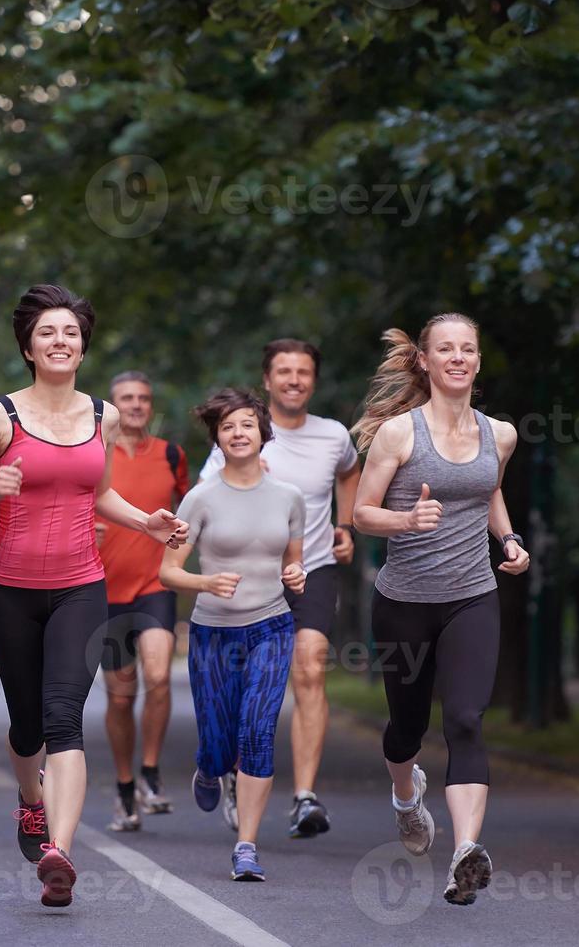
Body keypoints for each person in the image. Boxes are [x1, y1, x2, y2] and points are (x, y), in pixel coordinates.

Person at [0, 284, 187, 909]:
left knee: (63, 719)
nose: (61, 342)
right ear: (29, 346)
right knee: (26, 724)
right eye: (48, 333)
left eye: (71, 333)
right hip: (11, 590)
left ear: (83, 347)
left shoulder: (102, 416)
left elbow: (98, 494)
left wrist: (147, 522)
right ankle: (31, 805)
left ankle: (60, 851)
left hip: (81, 587)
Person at [350, 313, 530, 906]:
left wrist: (507, 540)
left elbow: (490, 491)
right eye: (445, 349)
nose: (458, 357)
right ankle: (407, 797)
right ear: (424, 361)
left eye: (468, 349)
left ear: (478, 362)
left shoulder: (499, 433)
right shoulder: (399, 435)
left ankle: (464, 854)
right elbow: (361, 513)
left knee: (466, 721)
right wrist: (406, 520)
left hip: (472, 597)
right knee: (408, 727)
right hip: (404, 602)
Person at [198, 339, 359, 838]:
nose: (294, 379)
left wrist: (346, 525)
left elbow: (350, 472)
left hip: (312, 570)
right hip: (253, 578)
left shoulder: (333, 436)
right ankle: (230, 773)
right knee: (246, 688)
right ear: (267, 381)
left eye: (304, 371)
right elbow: (205, 497)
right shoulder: (244, 433)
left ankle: (304, 798)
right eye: (284, 371)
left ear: (313, 380)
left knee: (310, 667)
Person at [161, 388, 306, 882]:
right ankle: (208, 765)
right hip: (213, 632)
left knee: (257, 734)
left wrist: (296, 575)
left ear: (263, 433)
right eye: (228, 427)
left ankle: (246, 846)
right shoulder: (199, 498)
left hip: (272, 625)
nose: (238, 433)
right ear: (217, 440)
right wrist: (207, 581)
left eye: (247, 424)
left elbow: (293, 560)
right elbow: (168, 572)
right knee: (221, 744)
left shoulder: (289, 498)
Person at [96, 371, 190, 832]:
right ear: (112, 407)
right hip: (104, 591)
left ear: (150, 406)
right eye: (126, 398)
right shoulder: (94, 453)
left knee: (157, 676)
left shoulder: (171, 455)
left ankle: (151, 772)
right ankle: (124, 783)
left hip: (155, 587)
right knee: (119, 697)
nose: (135, 405)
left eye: (143, 398)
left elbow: (198, 505)